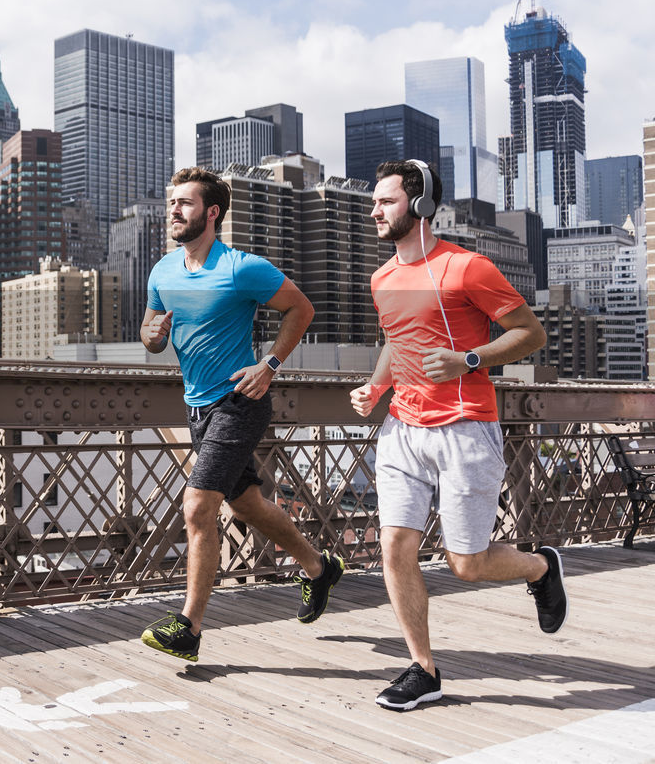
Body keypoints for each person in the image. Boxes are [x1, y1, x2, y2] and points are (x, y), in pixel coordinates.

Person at [349, 159, 567, 711]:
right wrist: (375, 389)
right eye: (374, 202)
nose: (374, 210)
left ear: (420, 206)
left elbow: (530, 333)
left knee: (465, 564)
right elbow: (397, 343)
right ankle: (423, 669)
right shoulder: (382, 278)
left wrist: (468, 357)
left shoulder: (468, 267)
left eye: (386, 201)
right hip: (403, 428)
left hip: (466, 426)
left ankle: (540, 566)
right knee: (394, 545)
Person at [139, 166, 346, 663]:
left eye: (184, 203)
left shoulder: (241, 267)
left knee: (197, 507)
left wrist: (269, 365)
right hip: (197, 408)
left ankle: (189, 627)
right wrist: (154, 335)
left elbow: (301, 309)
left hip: (239, 401)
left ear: (212, 213)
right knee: (249, 506)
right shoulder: (163, 270)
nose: (173, 209)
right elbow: (149, 328)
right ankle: (320, 569)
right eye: (172, 202)